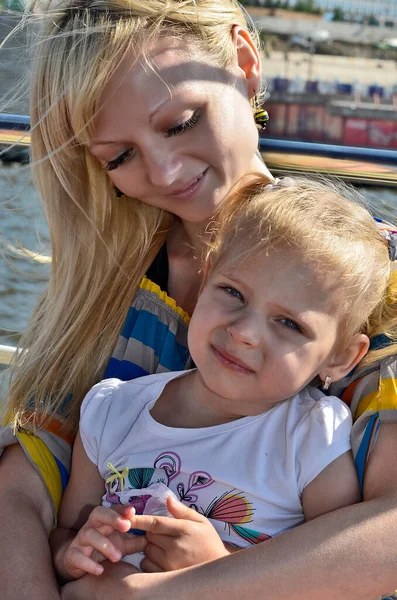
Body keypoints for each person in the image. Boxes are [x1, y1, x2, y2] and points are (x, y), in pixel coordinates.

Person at [0, 1, 396, 599]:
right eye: (120, 156)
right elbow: (22, 488)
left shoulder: (372, 278)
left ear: (243, 62)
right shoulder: (105, 288)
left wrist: (174, 591)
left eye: (180, 122)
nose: (162, 171)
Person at [52, 174, 396, 582]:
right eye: (233, 293)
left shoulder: (312, 439)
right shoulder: (112, 408)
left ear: (341, 357)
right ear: (206, 276)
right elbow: (65, 532)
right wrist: (72, 555)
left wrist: (218, 566)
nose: (244, 332)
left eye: (288, 323)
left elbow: (329, 578)